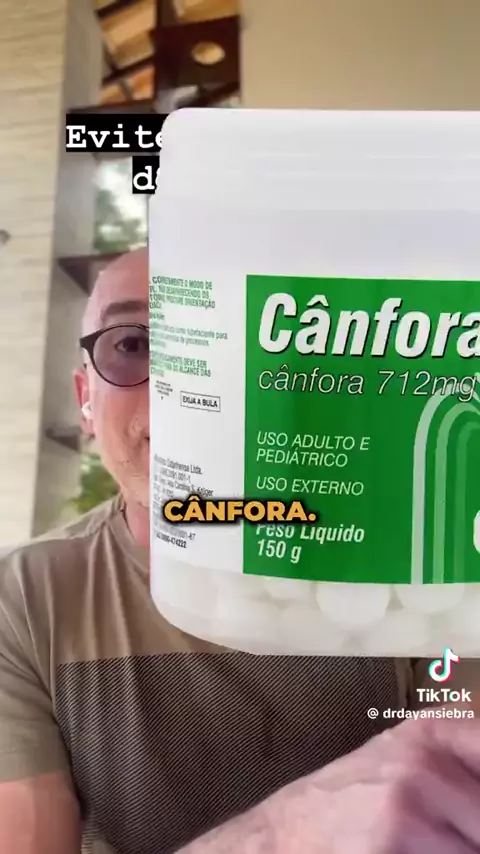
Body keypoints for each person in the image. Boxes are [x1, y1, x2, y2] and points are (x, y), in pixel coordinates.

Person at [0, 246, 478, 854]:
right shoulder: (24, 599)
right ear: (85, 401)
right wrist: (284, 833)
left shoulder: (404, 573)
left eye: (225, 343)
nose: (182, 387)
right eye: (134, 344)